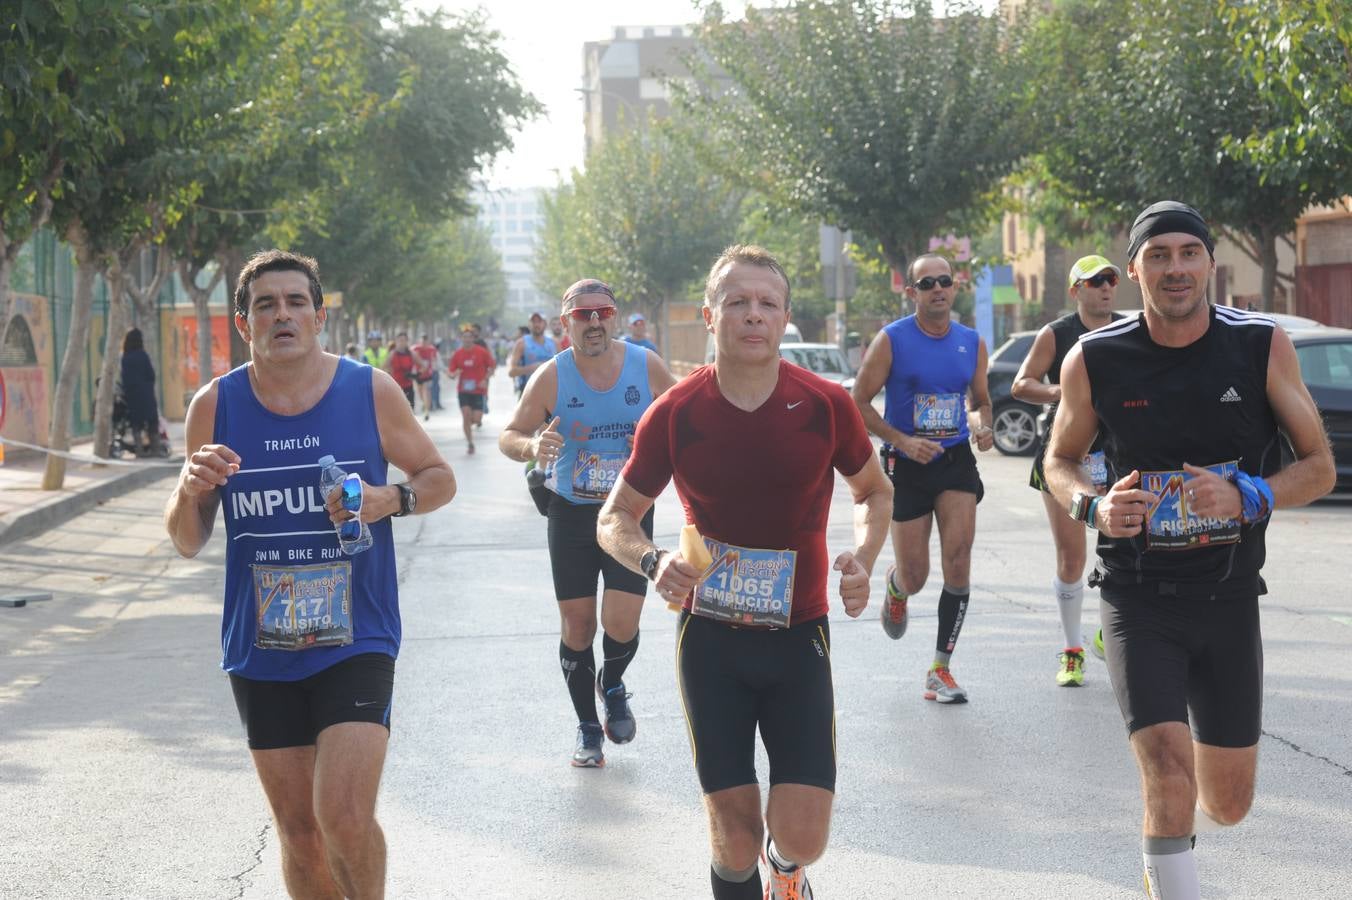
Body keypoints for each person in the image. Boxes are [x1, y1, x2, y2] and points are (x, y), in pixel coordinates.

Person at [1044, 201, 1334, 900]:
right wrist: (1095, 505)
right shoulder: (1096, 359)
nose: (1175, 269)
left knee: (1227, 802)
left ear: (1208, 263)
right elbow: (1059, 461)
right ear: (1136, 268)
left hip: (1229, 599)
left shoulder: (1260, 345)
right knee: (1167, 772)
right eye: (1159, 256)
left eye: (1188, 253)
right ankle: (1172, 871)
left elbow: (1319, 465)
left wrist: (1251, 496)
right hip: (1138, 598)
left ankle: (1169, 853)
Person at [597, 245, 892, 899]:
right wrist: (653, 560)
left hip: (798, 637)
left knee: (805, 834)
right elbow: (615, 517)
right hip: (711, 640)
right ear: (710, 314)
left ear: (786, 317)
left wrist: (863, 559)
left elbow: (874, 491)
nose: (752, 315)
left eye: (766, 303)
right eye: (737, 302)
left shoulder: (825, 404)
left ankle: (787, 873)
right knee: (732, 837)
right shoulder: (676, 413)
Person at [163, 249, 456, 899]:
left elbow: (439, 478)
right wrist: (188, 490)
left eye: (296, 302)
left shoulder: (369, 390)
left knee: (344, 818)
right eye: (265, 304)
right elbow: (187, 541)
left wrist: (391, 499)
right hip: (261, 649)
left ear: (319, 317)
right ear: (244, 324)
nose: (282, 314)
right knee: (299, 834)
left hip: (357, 637)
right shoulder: (215, 407)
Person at [499, 278, 676, 769]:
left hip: (629, 511)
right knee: (579, 625)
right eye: (583, 315)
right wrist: (532, 448)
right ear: (566, 323)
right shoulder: (552, 376)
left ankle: (613, 683)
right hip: (572, 512)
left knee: (623, 622)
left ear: (614, 317)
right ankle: (586, 728)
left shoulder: (645, 365)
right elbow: (510, 434)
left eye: (602, 313)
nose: (594, 322)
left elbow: (685, 414)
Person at [850, 253, 994, 703]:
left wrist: (982, 424)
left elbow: (981, 400)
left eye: (944, 281)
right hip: (907, 465)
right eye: (926, 283)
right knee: (916, 574)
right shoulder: (892, 340)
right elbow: (859, 401)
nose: (937, 289)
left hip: (954, 460)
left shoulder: (971, 341)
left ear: (955, 287)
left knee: (960, 554)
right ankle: (897, 588)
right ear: (911, 292)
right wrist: (902, 440)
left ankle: (940, 669)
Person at [1011, 254, 1127, 686]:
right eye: (1095, 281)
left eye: (1110, 280)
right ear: (1076, 290)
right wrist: (1064, 390)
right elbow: (1021, 384)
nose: (1105, 287)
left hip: (1116, 455)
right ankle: (1072, 650)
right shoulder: (1057, 333)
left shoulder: (1128, 329)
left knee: (1126, 548)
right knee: (1072, 557)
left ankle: (1108, 634)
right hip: (1065, 458)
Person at [447, 324, 496, 454]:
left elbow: (492, 367)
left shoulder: (481, 352)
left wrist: (485, 379)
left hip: (478, 391)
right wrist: (453, 374)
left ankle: (470, 426)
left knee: (477, 419)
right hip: (463, 391)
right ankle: (470, 442)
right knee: (466, 415)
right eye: (465, 337)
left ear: (473, 339)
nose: (467, 340)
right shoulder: (457, 354)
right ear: (461, 339)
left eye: (469, 337)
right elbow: (451, 372)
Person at [120, 327, 160, 457]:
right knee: (152, 421)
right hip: (146, 393)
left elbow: (124, 377)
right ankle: (155, 449)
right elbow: (151, 375)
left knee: (136, 423)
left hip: (132, 394)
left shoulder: (125, 358)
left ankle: (139, 450)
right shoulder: (143, 355)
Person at [508, 312, 557, 398]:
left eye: (539, 321)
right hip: (528, 391)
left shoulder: (554, 343)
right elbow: (511, 372)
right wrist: (531, 368)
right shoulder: (521, 343)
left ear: (545, 324)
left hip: (551, 392)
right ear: (529, 324)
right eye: (533, 322)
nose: (536, 324)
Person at [385, 331, 418, 410]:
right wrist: (388, 376)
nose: (402, 342)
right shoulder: (392, 354)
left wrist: (417, 374)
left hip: (408, 387)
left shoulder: (411, 353)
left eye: (404, 340)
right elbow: (384, 367)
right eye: (400, 340)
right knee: (397, 411)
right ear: (396, 341)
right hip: (396, 387)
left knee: (410, 412)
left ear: (407, 341)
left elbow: (423, 365)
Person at [411, 333, 439, 421]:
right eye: (422, 340)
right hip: (418, 374)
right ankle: (425, 404)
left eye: (425, 341)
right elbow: (410, 358)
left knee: (426, 391)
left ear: (428, 341)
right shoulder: (415, 348)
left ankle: (427, 411)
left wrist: (434, 369)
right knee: (419, 392)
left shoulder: (432, 349)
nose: (424, 343)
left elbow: (434, 360)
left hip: (428, 374)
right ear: (420, 341)